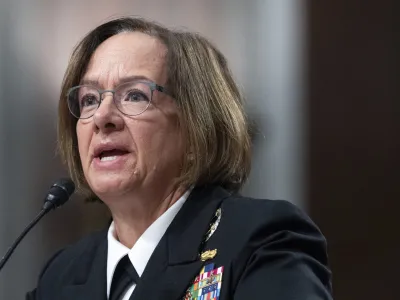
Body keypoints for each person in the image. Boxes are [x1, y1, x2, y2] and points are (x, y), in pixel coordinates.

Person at [26, 17, 332, 300]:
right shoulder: (61, 275)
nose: (103, 117)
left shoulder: (261, 240)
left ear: (196, 124)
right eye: (90, 99)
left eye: (134, 95)